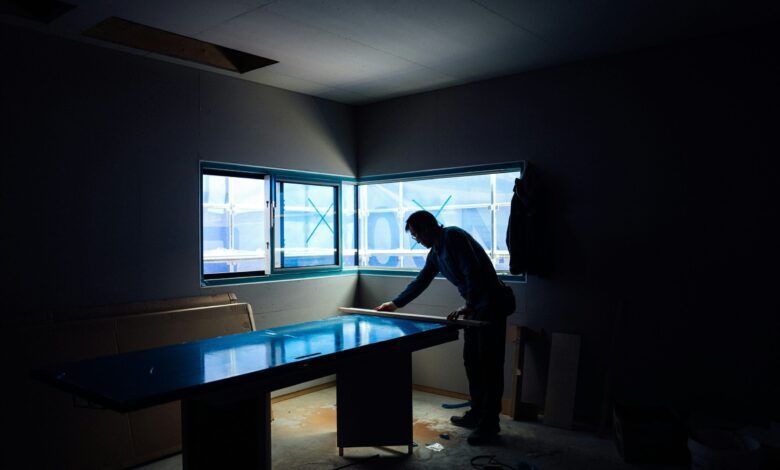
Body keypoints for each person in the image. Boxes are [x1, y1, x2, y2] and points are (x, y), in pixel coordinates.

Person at [375, 210, 514, 445]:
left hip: (491, 307)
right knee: (472, 362)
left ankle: (490, 425)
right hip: (475, 309)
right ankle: (477, 414)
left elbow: (474, 272)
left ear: (428, 227)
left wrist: (468, 305)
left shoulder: (453, 237)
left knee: (489, 366)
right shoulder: (435, 254)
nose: (417, 240)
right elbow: (421, 281)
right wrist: (395, 303)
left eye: (417, 235)